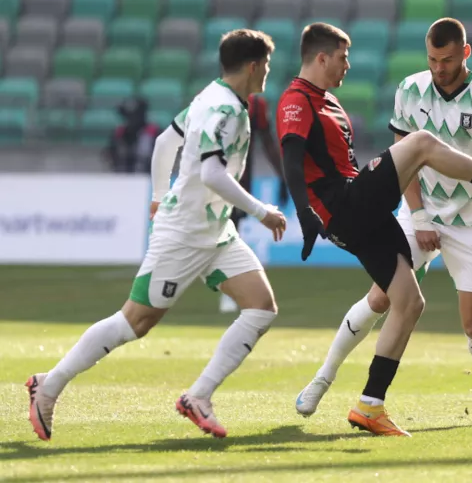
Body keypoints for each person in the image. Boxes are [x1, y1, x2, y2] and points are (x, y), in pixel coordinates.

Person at [277, 23, 472, 436]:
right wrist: (420, 215)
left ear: (465, 53)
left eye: (446, 60)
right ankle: (322, 378)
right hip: (414, 210)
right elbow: (402, 158)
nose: (438, 68)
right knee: (380, 297)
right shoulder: (406, 89)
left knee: (453, 317)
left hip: (469, 220)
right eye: (432, 60)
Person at [25, 30, 288, 441]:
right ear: (254, 66)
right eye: (267, 65)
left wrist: (156, 195)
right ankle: (48, 386)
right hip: (184, 233)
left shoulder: (210, 98)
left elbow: (167, 142)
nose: (268, 73)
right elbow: (211, 172)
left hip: (215, 231)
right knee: (135, 321)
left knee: (261, 307)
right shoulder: (227, 109)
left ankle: (199, 396)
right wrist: (262, 211)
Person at [219, 92, 288, 313]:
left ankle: (229, 291)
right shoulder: (211, 100)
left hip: (240, 183)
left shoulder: (256, 105)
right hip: (210, 182)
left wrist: (282, 176)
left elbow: (267, 143)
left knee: (232, 233)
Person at [106, 95, 160, 174]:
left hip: (147, 176)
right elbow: (111, 155)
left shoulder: (153, 132)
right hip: (122, 177)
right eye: (127, 116)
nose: (130, 120)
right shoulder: (119, 133)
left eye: (134, 116)